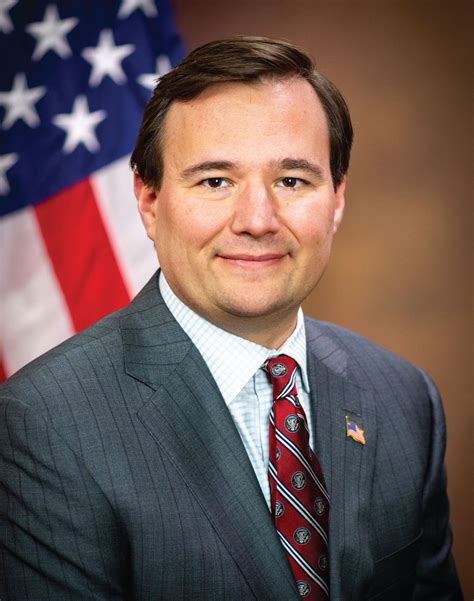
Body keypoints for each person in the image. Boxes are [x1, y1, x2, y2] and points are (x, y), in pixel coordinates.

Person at [0, 36, 462, 601]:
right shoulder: (44, 423)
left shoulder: (405, 399)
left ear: (337, 198)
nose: (257, 220)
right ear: (149, 200)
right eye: (215, 181)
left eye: (292, 180)